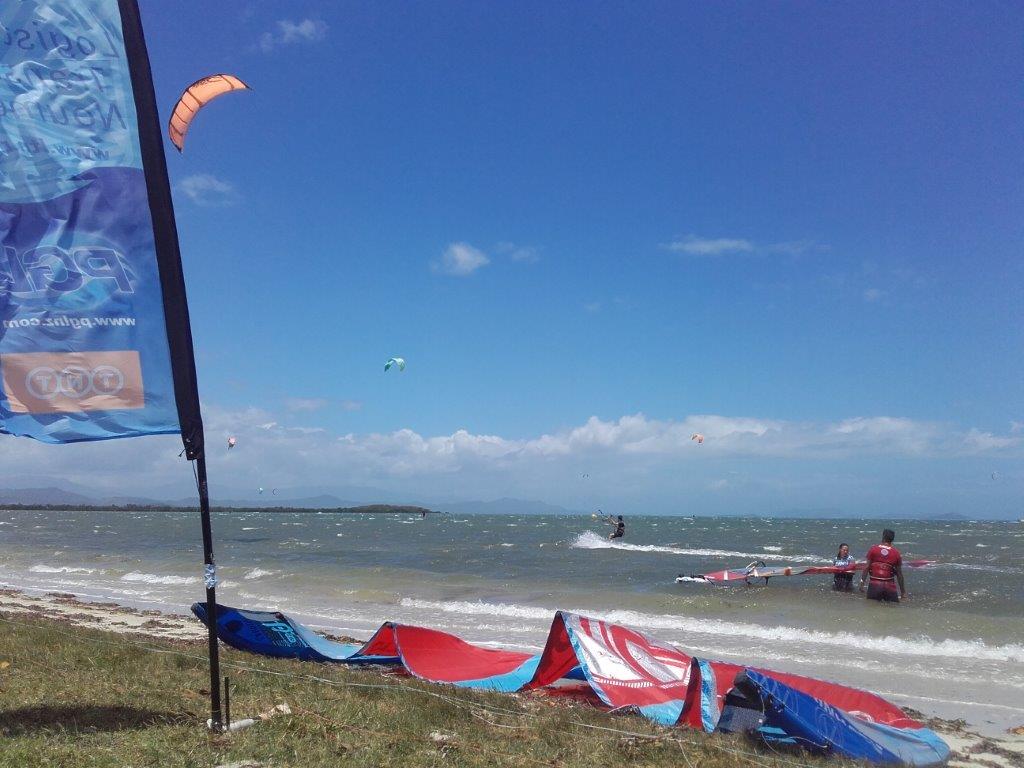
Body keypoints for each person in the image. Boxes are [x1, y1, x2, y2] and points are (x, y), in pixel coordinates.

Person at [859, 529, 906, 602]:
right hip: (889, 586)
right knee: (893, 607)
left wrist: (862, 583)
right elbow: (899, 574)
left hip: (874, 585)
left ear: (883, 537)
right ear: (892, 539)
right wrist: (903, 592)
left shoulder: (873, 549)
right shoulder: (896, 553)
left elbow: (867, 567)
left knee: (871, 606)